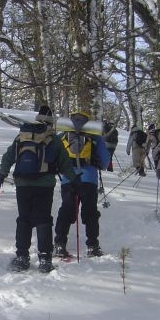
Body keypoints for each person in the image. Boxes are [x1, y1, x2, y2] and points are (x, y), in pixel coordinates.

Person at [0, 106, 77, 273]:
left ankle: (22, 257)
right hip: (44, 185)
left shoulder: (23, 136)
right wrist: (75, 180)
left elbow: (8, 156)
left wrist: (2, 173)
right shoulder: (53, 139)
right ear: (52, 121)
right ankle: (45, 259)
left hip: (23, 184)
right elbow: (65, 163)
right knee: (43, 220)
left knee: (24, 219)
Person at [54, 110, 110, 258]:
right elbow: (105, 160)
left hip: (68, 178)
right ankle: (92, 246)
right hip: (88, 178)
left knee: (66, 210)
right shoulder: (94, 136)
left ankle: (59, 244)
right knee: (90, 212)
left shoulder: (63, 135)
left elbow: (54, 156)